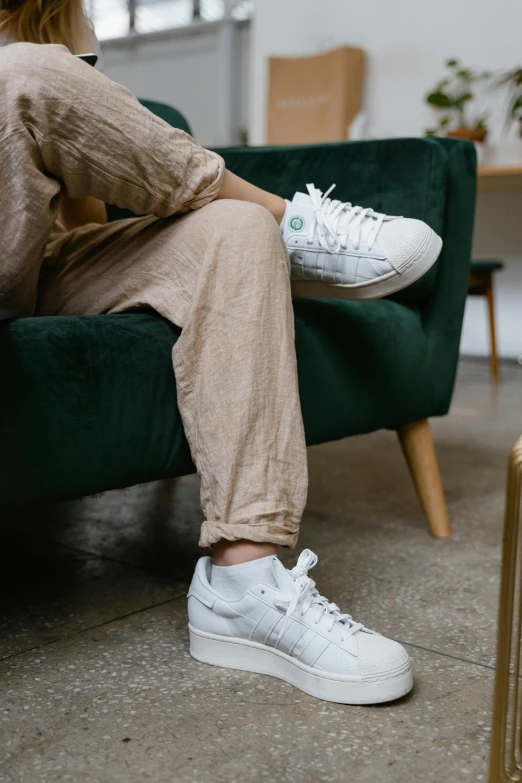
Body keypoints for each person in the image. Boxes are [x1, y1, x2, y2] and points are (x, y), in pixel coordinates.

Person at [0, 4, 442, 704]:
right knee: (22, 71)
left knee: (234, 233)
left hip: (34, 263)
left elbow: (72, 220)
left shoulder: (54, 16)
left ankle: (245, 583)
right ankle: (287, 217)